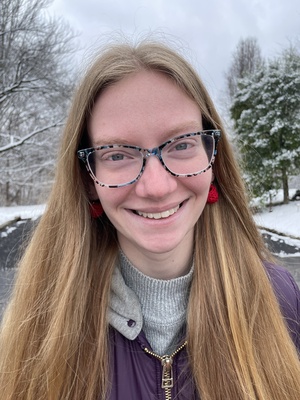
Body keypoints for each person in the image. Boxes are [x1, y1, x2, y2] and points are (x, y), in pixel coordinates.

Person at [0, 39, 299, 400]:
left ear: (213, 159)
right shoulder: (41, 321)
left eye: (182, 144)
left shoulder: (281, 299)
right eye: (117, 154)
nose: (156, 187)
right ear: (88, 180)